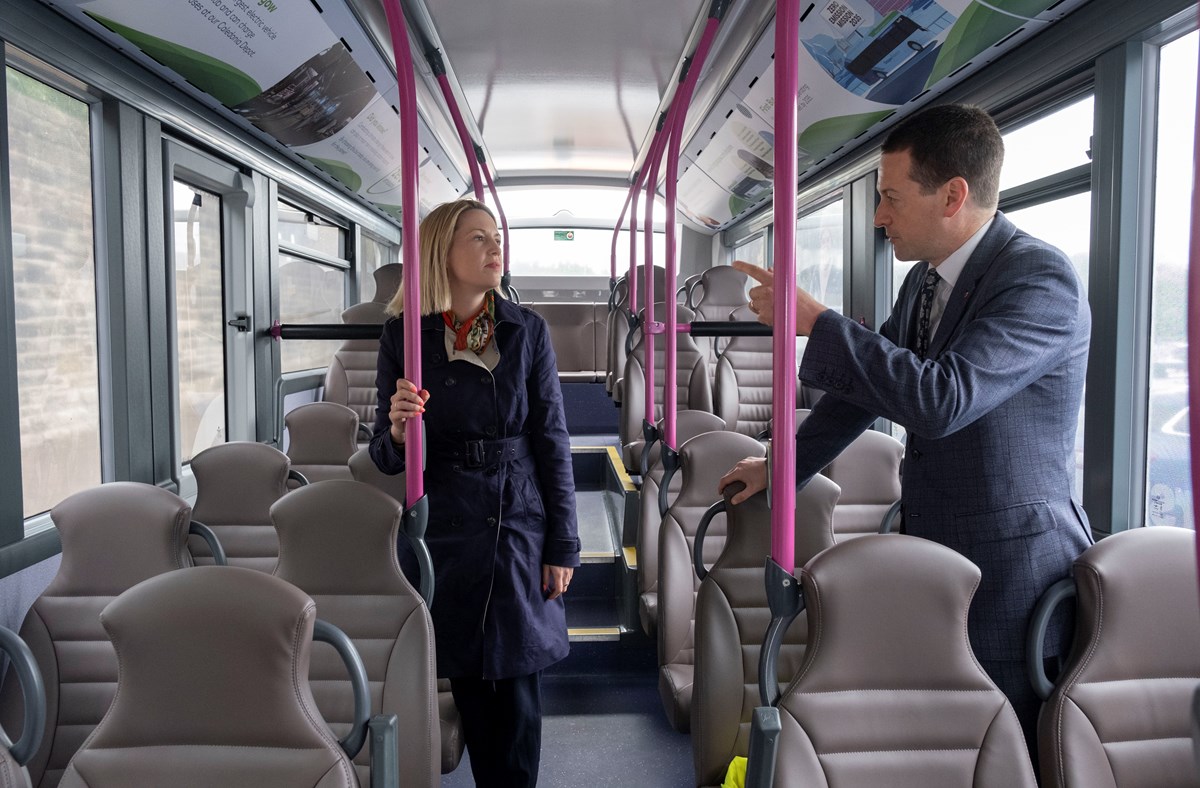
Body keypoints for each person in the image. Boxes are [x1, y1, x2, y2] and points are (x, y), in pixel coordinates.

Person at [719, 103, 1092, 757]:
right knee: (942, 740)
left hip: (1013, 569)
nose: (878, 217)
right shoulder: (925, 282)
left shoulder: (1038, 279)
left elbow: (942, 400)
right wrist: (781, 466)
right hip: (935, 549)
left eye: (890, 197)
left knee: (1011, 751)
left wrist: (819, 321)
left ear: (952, 196)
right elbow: (860, 394)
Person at [369, 198, 580, 788]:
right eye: (479, 239)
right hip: (444, 523)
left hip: (515, 518)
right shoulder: (404, 337)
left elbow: (551, 438)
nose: (495, 249)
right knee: (466, 678)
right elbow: (385, 459)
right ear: (442, 252)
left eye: (497, 238)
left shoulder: (527, 329)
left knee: (515, 697)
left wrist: (562, 542)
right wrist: (396, 430)